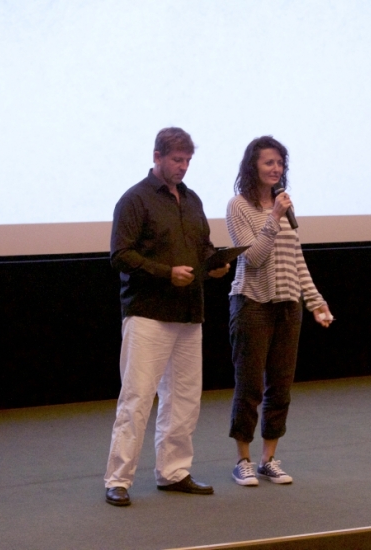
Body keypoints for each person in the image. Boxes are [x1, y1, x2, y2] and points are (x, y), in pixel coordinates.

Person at [104, 127, 230, 506]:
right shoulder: (135, 199)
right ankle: (118, 479)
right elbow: (120, 255)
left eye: (188, 160)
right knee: (137, 398)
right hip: (149, 313)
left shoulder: (192, 200)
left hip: (190, 313)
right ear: (157, 156)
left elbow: (203, 247)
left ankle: (173, 472)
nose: (183, 167)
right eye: (177, 159)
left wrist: (215, 264)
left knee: (185, 398)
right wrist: (166, 273)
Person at [225, 136, 333, 487]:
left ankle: (268, 459)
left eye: (280, 163)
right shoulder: (239, 206)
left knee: (281, 386)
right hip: (252, 303)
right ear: (253, 166)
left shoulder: (284, 205)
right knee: (250, 386)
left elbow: (296, 259)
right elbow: (253, 257)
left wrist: (315, 301)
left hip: (288, 305)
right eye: (269, 162)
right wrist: (273, 216)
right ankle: (242, 460)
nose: (276, 168)